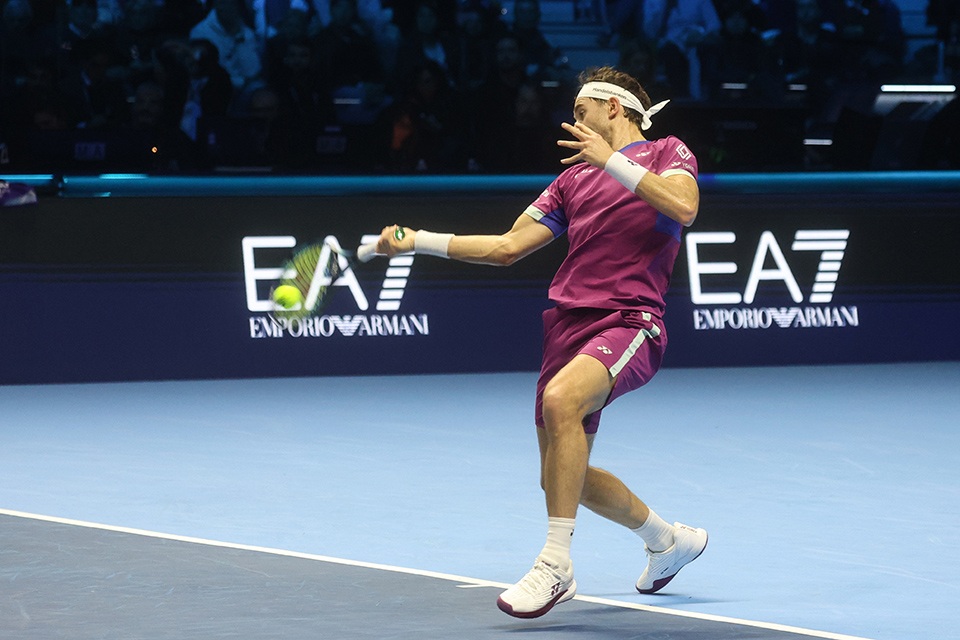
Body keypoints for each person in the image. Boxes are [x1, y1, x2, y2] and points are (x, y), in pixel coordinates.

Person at [373, 65, 708, 618]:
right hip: (565, 326)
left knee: (560, 401)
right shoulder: (570, 181)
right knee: (561, 478)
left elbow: (684, 206)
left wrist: (613, 161)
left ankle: (556, 565)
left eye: (581, 111)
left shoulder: (666, 152)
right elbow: (506, 248)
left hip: (629, 319)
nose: (573, 121)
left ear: (613, 107)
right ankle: (667, 541)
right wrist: (419, 241)